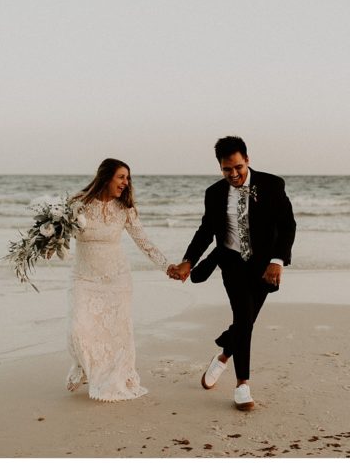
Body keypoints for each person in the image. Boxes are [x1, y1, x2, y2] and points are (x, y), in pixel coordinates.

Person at [168, 137, 296, 412]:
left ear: (247, 160)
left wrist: (277, 260)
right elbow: (205, 231)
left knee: (245, 322)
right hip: (232, 262)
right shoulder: (214, 193)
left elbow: (287, 225)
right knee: (243, 318)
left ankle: (224, 355)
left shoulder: (273, 185)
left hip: (264, 266)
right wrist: (188, 261)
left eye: (238, 167)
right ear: (220, 167)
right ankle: (242, 385)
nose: (234, 174)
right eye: (227, 169)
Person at [66, 158, 171, 401]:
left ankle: (111, 377)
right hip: (84, 277)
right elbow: (61, 236)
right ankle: (85, 366)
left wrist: (167, 266)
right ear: (106, 177)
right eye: (121, 177)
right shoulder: (77, 203)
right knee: (78, 328)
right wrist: (46, 245)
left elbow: (143, 241)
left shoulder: (125, 209)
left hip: (116, 279)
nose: (126, 182)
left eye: (127, 178)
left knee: (116, 333)